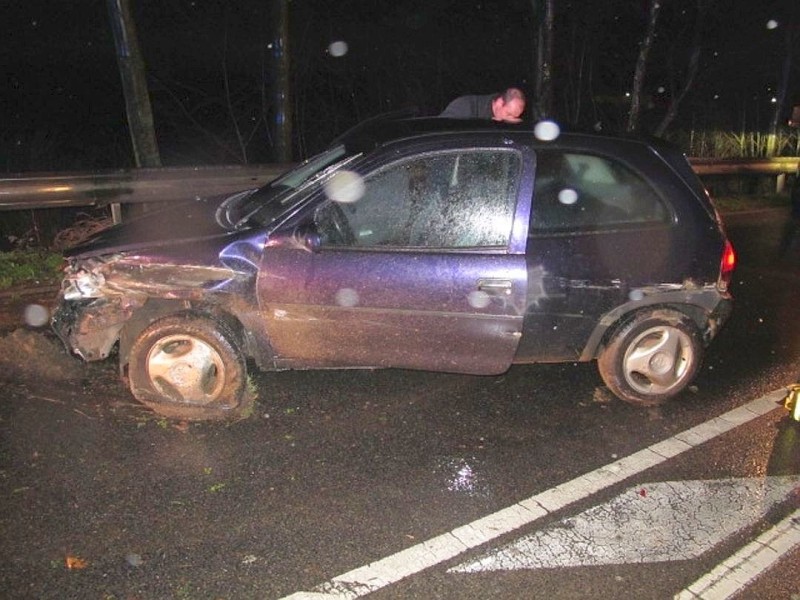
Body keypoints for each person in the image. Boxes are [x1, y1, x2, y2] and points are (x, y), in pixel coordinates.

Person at [439, 87, 526, 123]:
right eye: (509, 114)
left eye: (515, 117)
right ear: (500, 103)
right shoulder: (465, 107)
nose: (510, 119)